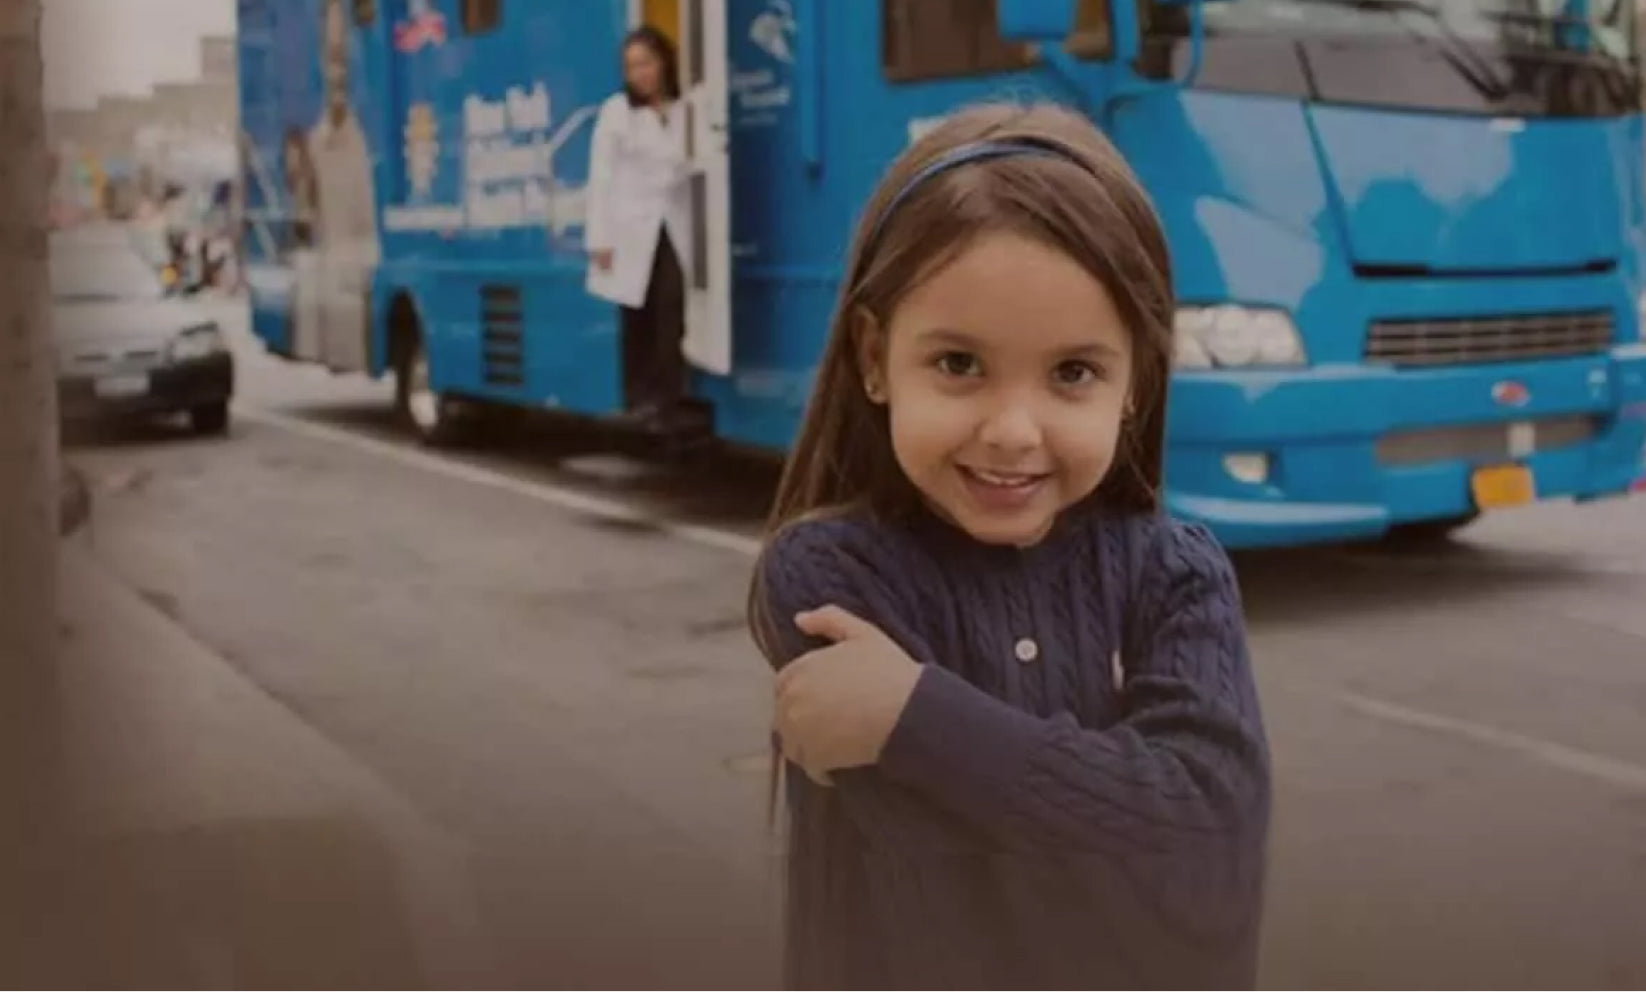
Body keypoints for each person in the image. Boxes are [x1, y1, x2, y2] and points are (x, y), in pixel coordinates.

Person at [746, 101, 1273, 989]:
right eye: (959, 364)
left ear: (1136, 380)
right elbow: (961, 912)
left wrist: (914, 718)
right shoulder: (827, 578)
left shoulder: (1178, 573)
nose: (1012, 431)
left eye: (1073, 372)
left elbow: (1210, 854)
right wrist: (1131, 812)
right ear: (875, 358)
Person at [584, 25, 694, 431]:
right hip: (630, 228)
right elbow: (601, 176)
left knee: (672, 304)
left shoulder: (686, 108)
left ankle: (668, 397)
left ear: (663, 61)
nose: (641, 73)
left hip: (674, 222)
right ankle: (640, 398)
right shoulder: (617, 112)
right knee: (638, 312)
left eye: (646, 63)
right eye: (632, 67)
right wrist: (600, 238)